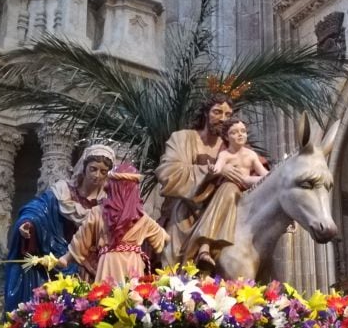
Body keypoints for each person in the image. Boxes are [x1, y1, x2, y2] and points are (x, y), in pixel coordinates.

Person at [4, 144, 115, 312]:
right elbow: (37, 210)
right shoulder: (63, 192)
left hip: (92, 267)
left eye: (103, 171)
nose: (97, 175)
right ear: (83, 168)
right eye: (93, 169)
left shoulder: (107, 203)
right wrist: (28, 224)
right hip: (57, 259)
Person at [155, 93, 247, 266]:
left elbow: (246, 176)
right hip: (184, 211)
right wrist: (213, 171)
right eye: (217, 112)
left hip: (221, 212)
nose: (223, 119)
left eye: (228, 115)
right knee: (181, 212)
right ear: (206, 113)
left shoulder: (231, 147)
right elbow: (168, 173)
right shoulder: (182, 138)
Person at [58, 163, 169, 284]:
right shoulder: (143, 218)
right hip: (132, 264)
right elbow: (163, 239)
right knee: (130, 297)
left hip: (108, 263)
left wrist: (66, 258)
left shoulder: (98, 212)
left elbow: (82, 240)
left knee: (107, 297)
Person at [187, 118, 268, 267]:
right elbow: (218, 168)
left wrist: (247, 179)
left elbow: (265, 175)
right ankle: (204, 248)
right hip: (227, 190)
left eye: (243, 131)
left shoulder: (251, 155)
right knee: (228, 188)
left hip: (246, 190)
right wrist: (213, 170)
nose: (240, 135)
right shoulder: (225, 155)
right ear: (226, 136)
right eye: (234, 132)